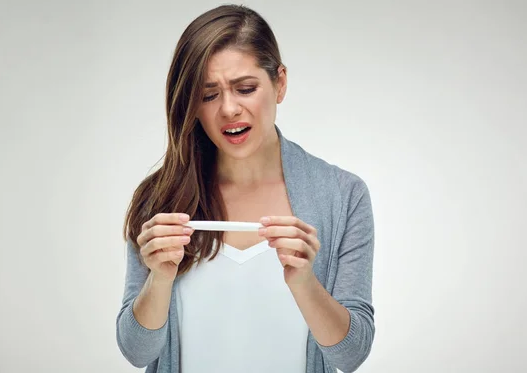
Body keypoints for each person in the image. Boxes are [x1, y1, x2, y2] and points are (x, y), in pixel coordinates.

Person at [116, 4, 375, 373]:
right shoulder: (161, 198)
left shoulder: (343, 195)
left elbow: (351, 356)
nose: (228, 108)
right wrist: (158, 278)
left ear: (280, 83)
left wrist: (305, 282)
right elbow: (136, 353)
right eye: (208, 95)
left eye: (246, 88)